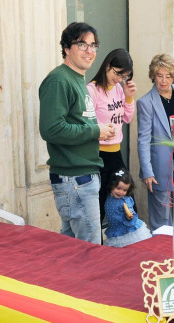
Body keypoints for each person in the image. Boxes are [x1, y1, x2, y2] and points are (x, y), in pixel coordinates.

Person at [38, 22, 115, 244]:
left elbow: (75, 122)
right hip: (74, 179)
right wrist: (94, 130)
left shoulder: (77, 78)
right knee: (89, 250)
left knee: (72, 249)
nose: (90, 51)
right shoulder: (59, 79)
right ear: (66, 48)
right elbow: (51, 129)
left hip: (82, 177)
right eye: (82, 44)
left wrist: (99, 130)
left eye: (93, 45)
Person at [136, 54, 174, 231]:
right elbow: (143, 140)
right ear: (153, 75)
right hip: (160, 170)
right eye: (159, 75)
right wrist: (147, 173)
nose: (164, 81)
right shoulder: (146, 103)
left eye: (168, 76)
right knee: (162, 224)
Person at [87, 49, 137, 223]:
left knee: (129, 203)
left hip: (116, 154)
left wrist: (129, 98)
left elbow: (127, 118)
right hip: (97, 155)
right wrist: (101, 130)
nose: (120, 79)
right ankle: (96, 246)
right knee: (98, 205)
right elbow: (86, 124)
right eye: (118, 73)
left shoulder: (118, 89)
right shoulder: (92, 90)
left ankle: (128, 243)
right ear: (107, 66)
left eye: (124, 76)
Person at [103, 169, 152, 247]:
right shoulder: (109, 196)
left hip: (128, 232)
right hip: (115, 231)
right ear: (112, 185)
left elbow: (132, 214)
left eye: (124, 190)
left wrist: (128, 217)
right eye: (118, 188)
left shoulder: (125, 200)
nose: (121, 192)